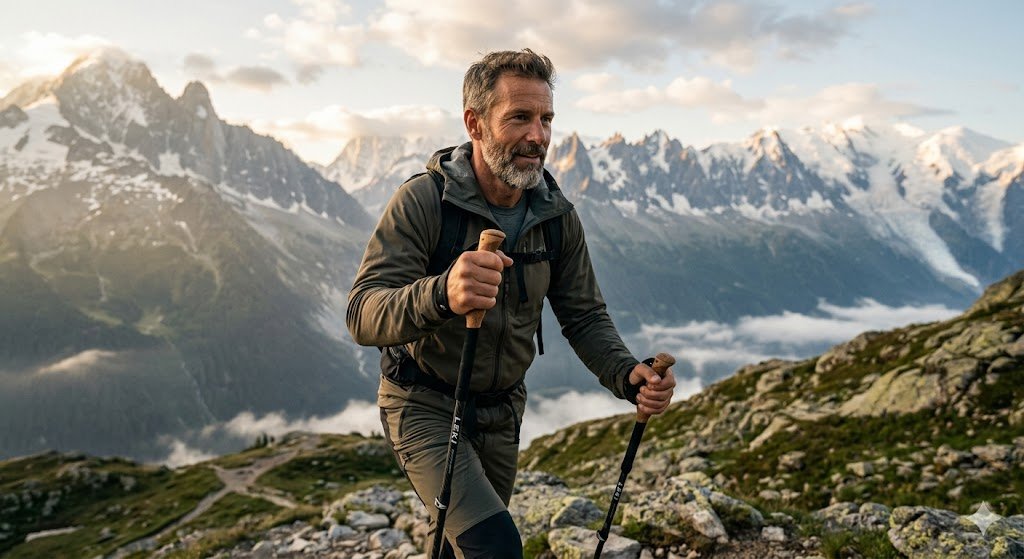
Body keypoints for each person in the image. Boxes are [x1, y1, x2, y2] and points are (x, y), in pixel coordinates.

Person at [346, 49, 676, 559]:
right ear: (474, 123)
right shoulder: (423, 202)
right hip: (426, 403)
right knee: (494, 547)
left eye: (546, 119)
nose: (538, 136)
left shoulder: (555, 213)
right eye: (519, 118)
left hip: (503, 413)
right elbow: (362, 312)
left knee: (467, 547)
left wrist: (627, 374)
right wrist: (441, 292)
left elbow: (584, 315)